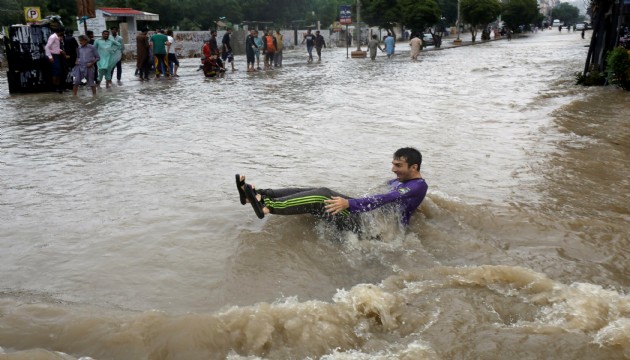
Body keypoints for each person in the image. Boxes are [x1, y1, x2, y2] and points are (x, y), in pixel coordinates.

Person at [235, 147, 428, 231]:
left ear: (414, 167)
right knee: (321, 190)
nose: (393, 169)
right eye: (393, 164)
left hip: (371, 229)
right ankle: (257, 195)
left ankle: (267, 206)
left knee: (322, 196)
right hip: (369, 218)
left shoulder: (417, 186)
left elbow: (385, 199)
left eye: (398, 166)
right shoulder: (401, 182)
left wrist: (349, 203)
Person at [44, 27, 66, 93]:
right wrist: (50, 57)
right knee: (56, 71)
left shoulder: (56, 37)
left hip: (57, 55)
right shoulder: (53, 37)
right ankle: (55, 87)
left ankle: (58, 86)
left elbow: (54, 47)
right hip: (53, 56)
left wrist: (61, 51)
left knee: (58, 71)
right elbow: (47, 47)